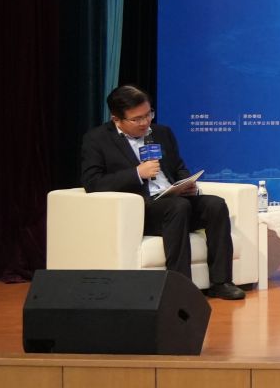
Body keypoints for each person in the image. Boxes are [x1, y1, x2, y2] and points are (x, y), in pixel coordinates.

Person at [79, 85, 244, 300]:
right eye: (137, 119)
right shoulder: (97, 139)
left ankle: (221, 282)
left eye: (148, 114)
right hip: (142, 210)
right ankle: (180, 287)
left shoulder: (162, 133)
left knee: (215, 205)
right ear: (116, 119)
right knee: (177, 207)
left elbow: (178, 167)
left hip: (175, 201)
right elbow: (93, 183)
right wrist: (137, 173)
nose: (145, 122)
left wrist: (187, 184)